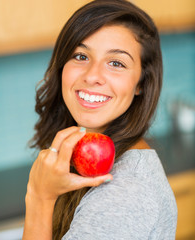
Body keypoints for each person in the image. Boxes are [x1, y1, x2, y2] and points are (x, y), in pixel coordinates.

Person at [22, 0, 177, 239]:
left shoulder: (124, 193)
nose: (93, 75)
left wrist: (39, 199)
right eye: (81, 56)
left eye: (116, 63)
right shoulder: (86, 155)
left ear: (141, 84)